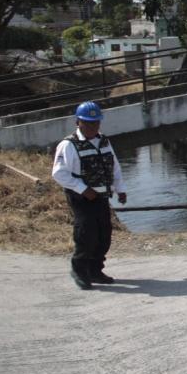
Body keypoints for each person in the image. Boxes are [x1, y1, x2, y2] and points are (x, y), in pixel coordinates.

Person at [51, 101, 127, 289]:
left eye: (96, 123)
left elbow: (114, 166)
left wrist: (120, 189)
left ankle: (95, 270)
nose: (93, 127)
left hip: (101, 197)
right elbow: (58, 173)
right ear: (78, 122)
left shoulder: (104, 141)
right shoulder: (68, 145)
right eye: (88, 123)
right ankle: (80, 270)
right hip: (81, 198)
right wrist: (83, 189)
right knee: (86, 234)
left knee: (104, 235)